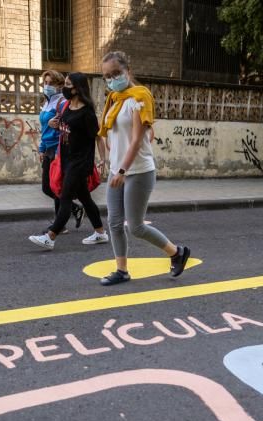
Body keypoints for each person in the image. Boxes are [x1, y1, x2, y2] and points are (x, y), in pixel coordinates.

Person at [97, 51, 190, 286]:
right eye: (107, 76)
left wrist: (121, 171)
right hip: (117, 170)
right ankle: (122, 270)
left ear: (128, 71)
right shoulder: (114, 100)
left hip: (137, 171)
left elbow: (137, 139)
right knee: (114, 223)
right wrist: (111, 159)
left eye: (116, 73)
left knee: (136, 226)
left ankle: (177, 253)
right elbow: (113, 134)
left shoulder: (140, 97)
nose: (112, 79)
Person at [29, 73, 109, 250]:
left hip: (80, 162)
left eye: (67, 84)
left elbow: (98, 138)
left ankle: (51, 236)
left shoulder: (86, 112)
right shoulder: (67, 107)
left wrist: (103, 160)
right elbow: (64, 127)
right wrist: (54, 125)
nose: (64, 88)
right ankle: (100, 232)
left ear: (77, 88)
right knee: (85, 199)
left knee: (64, 197)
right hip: (66, 159)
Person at [37, 70, 83, 232]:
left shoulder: (62, 102)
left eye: (51, 83)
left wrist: (57, 125)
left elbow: (67, 126)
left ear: (59, 85)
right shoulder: (47, 102)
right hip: (48, 148)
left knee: (54, 186)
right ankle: (73, 208)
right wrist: (41, 149)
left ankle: (60, 224)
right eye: (45, 83)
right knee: (48, 187)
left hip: (58, 148)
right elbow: (44, 128)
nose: (47, 86)